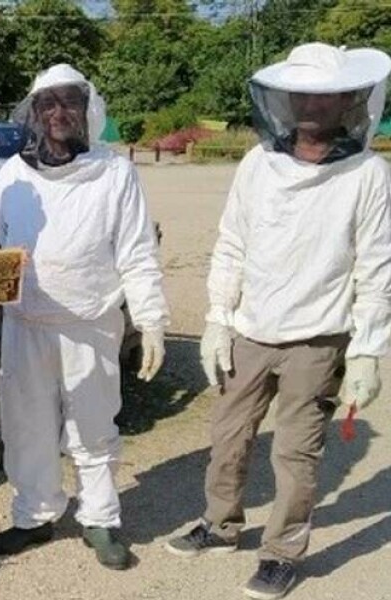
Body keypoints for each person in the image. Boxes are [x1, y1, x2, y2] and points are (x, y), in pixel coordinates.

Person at [166, 43, 391, 600]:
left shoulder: (367, 173)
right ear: (285, 100)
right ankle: (220, 526)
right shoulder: (257, 163)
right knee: (228, 436)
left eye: (326, 94)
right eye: (303, 94)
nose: (312, 105)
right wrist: (218, 318)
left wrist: (367, 349)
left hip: (318, 339)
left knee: (295, 451)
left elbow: (377, 264)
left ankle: (281, 552)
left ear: (348, 101)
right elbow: (233, 244)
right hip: (251, 329)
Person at [0, 64, 169, 570]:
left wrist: (151, 319)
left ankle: (100, 517)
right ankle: (33, 515)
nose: (59, 113)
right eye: (48, 104)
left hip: (91, 322)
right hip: (25, 325)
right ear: (35, 113)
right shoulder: (13, 175)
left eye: (69, 102)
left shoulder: (116, 173)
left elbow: (135, 252)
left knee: (92, 424)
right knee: (27, 427)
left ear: (87, 110)